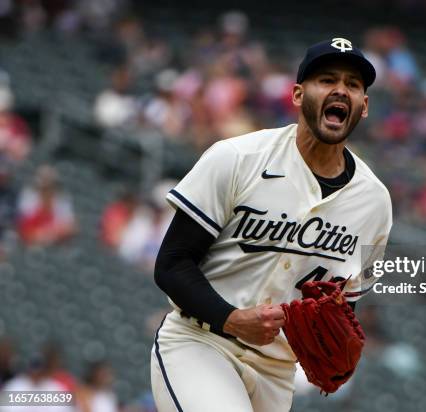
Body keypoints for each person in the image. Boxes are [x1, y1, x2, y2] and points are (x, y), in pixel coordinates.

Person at [151, 38, 393, 412]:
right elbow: (172, 263)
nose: (341, 90)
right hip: (201, 343)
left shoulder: (375, 202)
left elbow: (344, 307)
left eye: (353, 84)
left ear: (364, 107)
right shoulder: (237, 158)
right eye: (326, 79)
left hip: (278, 372)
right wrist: (229, 319)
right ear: (297, 94)